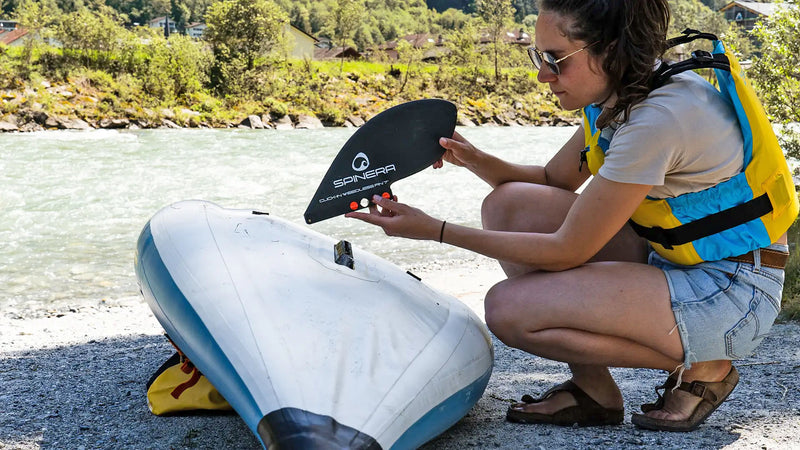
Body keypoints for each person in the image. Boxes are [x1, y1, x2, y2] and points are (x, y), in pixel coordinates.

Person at [346, 0, 798, 432]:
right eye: (537, 55)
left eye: (556, 59)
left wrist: (435, 231)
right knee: (511, 204)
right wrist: (471, 156)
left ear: (612, 51)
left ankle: (708, 364)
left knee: (510, 310)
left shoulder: (660, 119)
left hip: (731, 289)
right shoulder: (623, 91)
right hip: (676, 258)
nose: (543, 75)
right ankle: (593, 391)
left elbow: (566, 250)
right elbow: (551, 179)